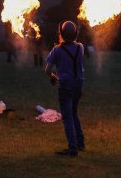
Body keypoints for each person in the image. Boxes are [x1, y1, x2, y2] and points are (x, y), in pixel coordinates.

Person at [45, 21, 85, 157]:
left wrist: (53, 76)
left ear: (61, 33)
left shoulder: (56, 50)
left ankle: (73, 148)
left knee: (67, 117)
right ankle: (80, 143)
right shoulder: (80, 47)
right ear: (75, 33)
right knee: (74, 113)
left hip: (66, 86)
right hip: (78, 84)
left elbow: (47, 70)